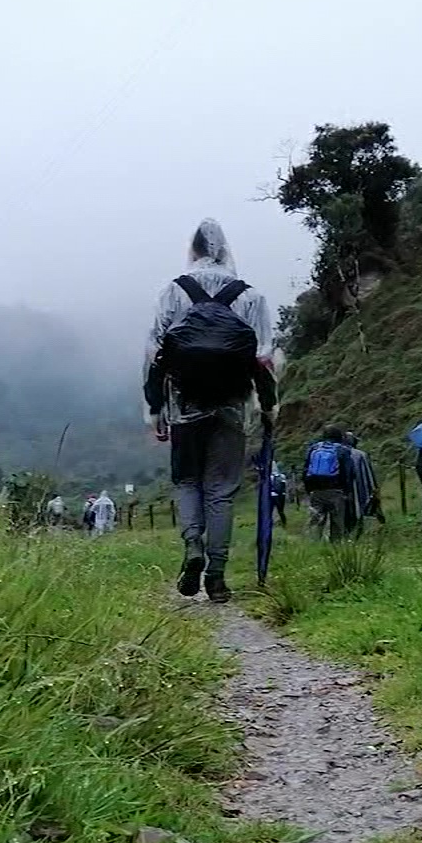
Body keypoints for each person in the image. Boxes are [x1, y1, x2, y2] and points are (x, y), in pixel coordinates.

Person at [143, 218, 280, 604]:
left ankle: (193, 549)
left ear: (193, 250)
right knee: (220, 491)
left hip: (183, 406)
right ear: (226, 250)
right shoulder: (250, 296)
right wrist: (269, 407)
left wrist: (155, 410)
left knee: (187, 482)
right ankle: (217, 577)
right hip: (232, 407)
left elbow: (154, 353)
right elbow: (264, 359)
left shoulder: (174, 291)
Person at [302, 426, 354, 542]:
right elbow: (348, 472)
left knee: (315, 519)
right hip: (336, 490)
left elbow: (305, 470)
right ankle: (335, 547)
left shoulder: (313, 448)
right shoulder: (343, 450)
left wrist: (308, 489)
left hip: (316, 490)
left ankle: (312, 546)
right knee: (337, 522)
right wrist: (347, 491)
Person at [343, 431, 383, 537]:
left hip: (341, 489)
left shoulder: (338, 452)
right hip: (360, 487)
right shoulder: (360, 454)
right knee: (359, 509)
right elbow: (368, 475)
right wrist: (373, 489)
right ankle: (357, 533)